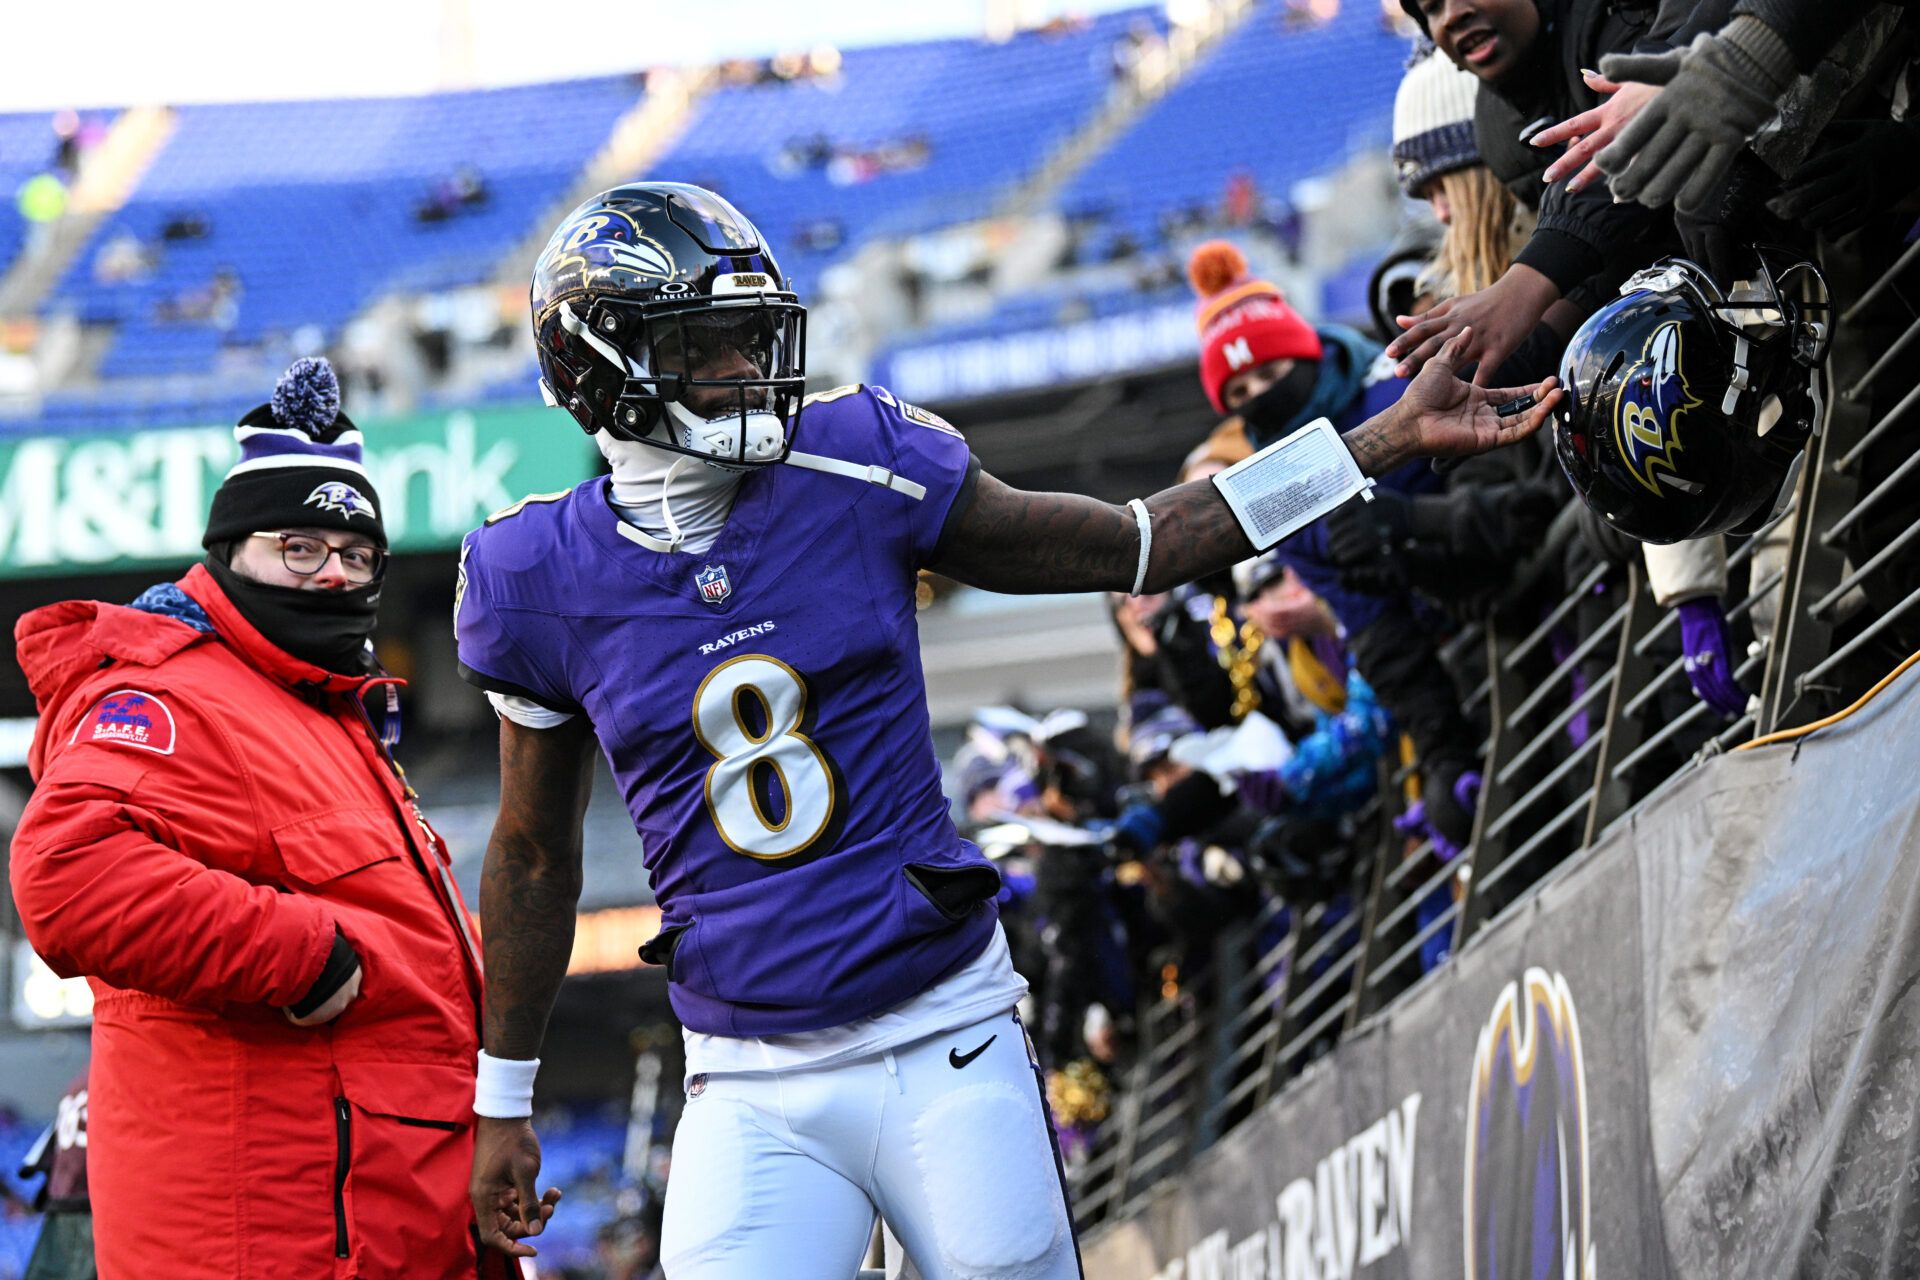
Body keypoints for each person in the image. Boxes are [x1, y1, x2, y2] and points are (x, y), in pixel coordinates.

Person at [455, 183, 1559, 1278]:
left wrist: (1375, 443)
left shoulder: (857, 463)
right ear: (603, 365)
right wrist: (502, 1094)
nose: (752, 371)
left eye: (755, 339)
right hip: (746, 1075)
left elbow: (1146, 542)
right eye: (713, 346)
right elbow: (534, 855)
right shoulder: (530, 576)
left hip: (945, 1028)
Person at [8, 359, 519, 1278]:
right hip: (267, 1238)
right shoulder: (172, 692)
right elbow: (67, 874)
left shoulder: (319, 710)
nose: (334, 575)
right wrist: (302, 954)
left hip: (372, 1226)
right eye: (300, 548)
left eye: (357, 557)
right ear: (232, 552)